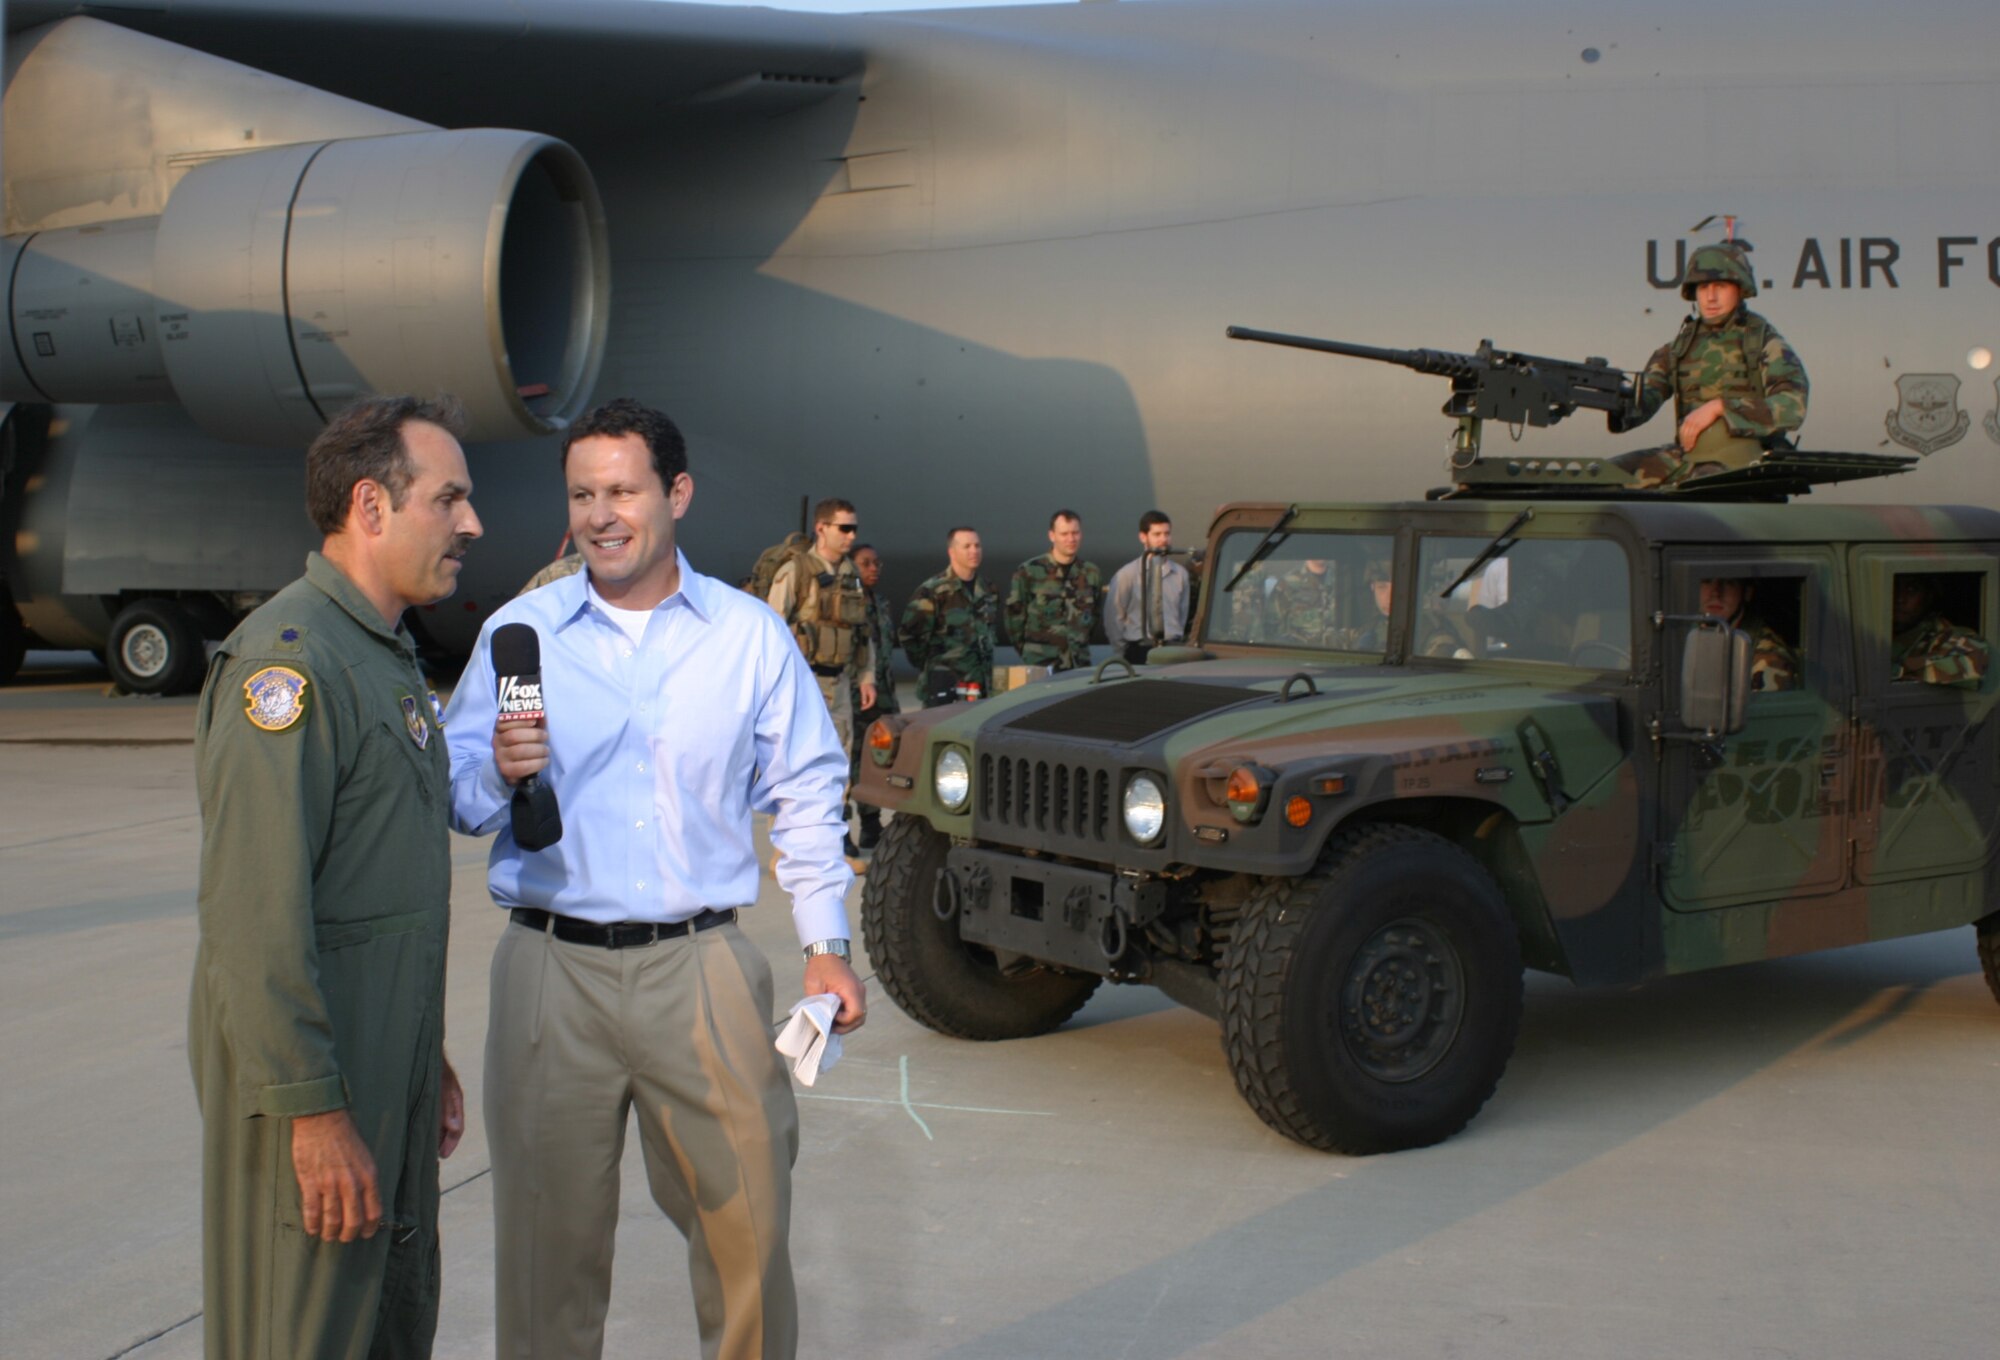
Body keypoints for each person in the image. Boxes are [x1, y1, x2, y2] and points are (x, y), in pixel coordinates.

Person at [443, 398, 866, 1360]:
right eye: (583, 493)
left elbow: (805, 794)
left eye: (623, 490)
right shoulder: (523, 632)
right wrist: (497, 772)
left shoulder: (748, 636)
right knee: (546, 1259)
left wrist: (827, 948)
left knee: (748, 1235)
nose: (601, 513)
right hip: (551, 970)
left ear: (675, 494)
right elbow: (456, 796)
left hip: (703, 965)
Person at [189, 394, 480, 1360]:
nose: (471, 524)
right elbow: (254, 917)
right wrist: (313, 1115)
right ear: (371, 506)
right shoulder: (291, 665)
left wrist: (421, 1048)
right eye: (449, 500)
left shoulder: (381, 655)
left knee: (387, 1323)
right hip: (313, 1086)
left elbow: (375, 891)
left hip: (377, 1065)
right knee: (300, 1330)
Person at [1612, 242, 1809, 486]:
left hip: (1744, 458)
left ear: (1740, 289)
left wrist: (1720, 408)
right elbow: (1645, 400)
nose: (1711, 296)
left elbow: (1792, 406)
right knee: (1600, 477)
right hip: (1691, 456)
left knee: (1706, 486)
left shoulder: (1762, 341)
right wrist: (1610, 398)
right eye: (1704, 287)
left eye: (1721, 286)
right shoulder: (1679, 347)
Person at [767, 497, 876, 863]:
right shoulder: (796, 572)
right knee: (797, 766)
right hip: (804, 683)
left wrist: (867, 676)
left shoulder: (851, 575)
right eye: (844, 528)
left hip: (840, 683)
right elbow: (769, 629)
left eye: (854, 528)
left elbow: (862, 633)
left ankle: (832, 841)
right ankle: (786, 843)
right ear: (822, 528)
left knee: (838, 765)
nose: (851, 536)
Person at [899, 525, 998, 705]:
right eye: (967, 546)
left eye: (977, 546)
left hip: (979, 689)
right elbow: (910, 637)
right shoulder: (932, 591)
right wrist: (934, 668)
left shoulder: (987, 589)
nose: (974, 551)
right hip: (944, 690)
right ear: (952, 552)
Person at [1005, 508, 1105, 672]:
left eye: (1075, 533)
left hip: (1078, 664)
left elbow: (1093, 617)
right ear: (1052, 536)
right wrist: (1029, 652)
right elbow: (1013, 619)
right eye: (1064, 534)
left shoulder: (1090, 573)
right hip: (1041, 664)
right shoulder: (1029, 571)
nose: (1071, 539)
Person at [850, 542, 900, 848]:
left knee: (877, 759)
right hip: (854, 695)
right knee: (849, 760)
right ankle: (843, 831)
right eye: (866, 563)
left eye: (876, 563)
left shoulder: (880, 603)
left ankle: (871, 823)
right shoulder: (849, 604)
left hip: (882, 694)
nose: (873, 569)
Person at [1105, 511, 1191, 663]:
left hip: (1173, 649)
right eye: (1157, 534)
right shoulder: (1127, 574)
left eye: (1167, 533)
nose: (1163, 539)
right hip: (1140, 650)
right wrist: (1121, 654)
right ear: (1143, 537)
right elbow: (1114, 618)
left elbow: (1182, 614)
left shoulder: (1180, 574)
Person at [1700, 577, 1799, 692]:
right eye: (1707, 581)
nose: (1715, 593)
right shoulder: (1683, 633)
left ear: (1747, 593)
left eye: (1728, 582)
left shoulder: (1768, 659)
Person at [1890, 574, 1989, 688]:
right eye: (1894, 587)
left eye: (1912, 589)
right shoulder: (1877, 631)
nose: (1899, 599)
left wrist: (1892, 671)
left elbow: (1973, 661)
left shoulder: (1946, 635)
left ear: (1928, 597)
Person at [1266, 558, 1341, 647]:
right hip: (1300, 654)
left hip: (1338, 655)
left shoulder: (1343, 581)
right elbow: (1272, 630)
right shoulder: (1288, 584)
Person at [1344, 559, 1394, 651]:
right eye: (1382, 587)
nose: (1389, 598)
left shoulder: (1424, 634)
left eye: (1396, 588)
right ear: (1372, 587)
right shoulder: (1367, 629)